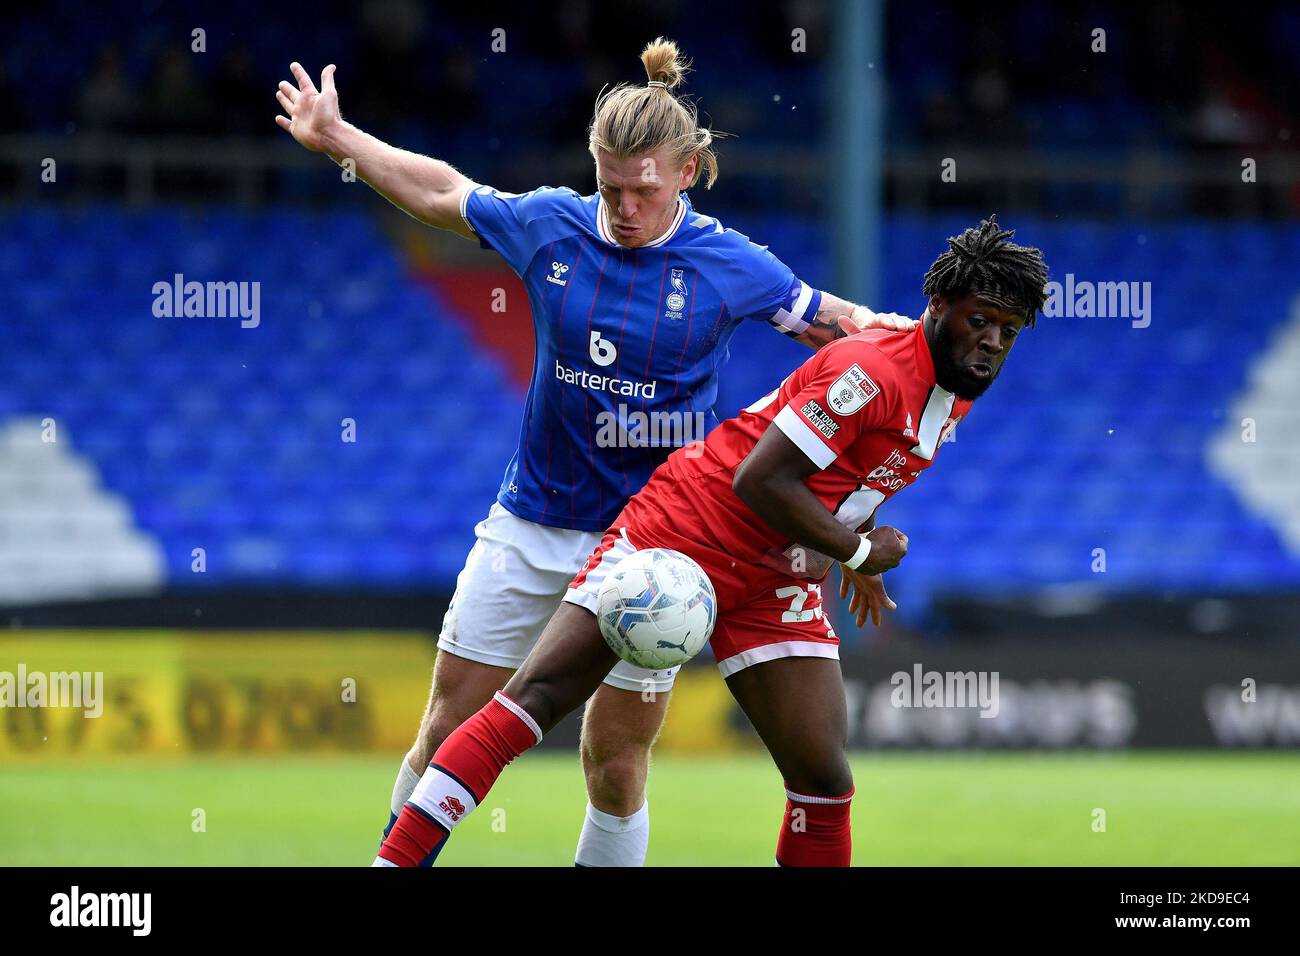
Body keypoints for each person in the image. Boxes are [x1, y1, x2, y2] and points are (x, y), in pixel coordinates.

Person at [275, 37, 913, 866]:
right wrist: (339, 140)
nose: (623, 207)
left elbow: (852, 335)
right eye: (609, 186)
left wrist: (934, 347)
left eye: (642, 190)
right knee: (444, 732)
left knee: (615, 766)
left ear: (686, 173)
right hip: (531, 525)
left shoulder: (731, 264)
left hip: (655, 550)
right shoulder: (553, 225)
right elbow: (443, 191)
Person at [375, 216, 1050, 867]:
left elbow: (849, 471)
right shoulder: (870, 371)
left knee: (823, 777)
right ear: (938, 306)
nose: (990, 340)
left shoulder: (957, 385)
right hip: (686, 533)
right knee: (537, 700)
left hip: (774, 569)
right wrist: (859, 553)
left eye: (1008, 331)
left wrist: (857, 540)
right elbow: (763, 479)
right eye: (979, 319)